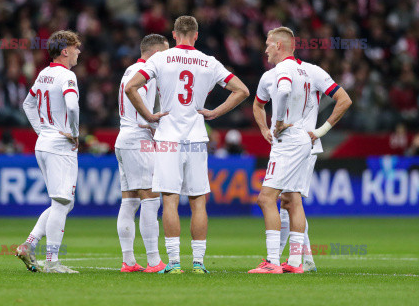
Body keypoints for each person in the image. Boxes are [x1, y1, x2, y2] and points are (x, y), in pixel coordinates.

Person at [125, 16, 250, 274]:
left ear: (173, 34)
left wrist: (149, 115)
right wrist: (216, 112)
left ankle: (173, 263)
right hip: (196, 139)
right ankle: (199, 263)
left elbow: (131, 87)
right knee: (198, 201)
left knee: (169, 200)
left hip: (168, 138)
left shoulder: (161, 58)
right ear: (196, 35)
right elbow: (242, 90)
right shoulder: (209, 62)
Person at [251, 26, 352, 274]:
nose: (265, 49)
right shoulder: (312, 71)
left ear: (279, 46)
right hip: (308, 142)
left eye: (267, 44)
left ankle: (273, 262)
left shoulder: (280, 72)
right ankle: (298, 262)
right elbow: (345, 99)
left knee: (267, 198)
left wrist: (279, 122)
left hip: (289, 140)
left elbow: (282, 91)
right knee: (292, 199)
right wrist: (320, 132)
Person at [16, 30, 81, 273]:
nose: (79, 52)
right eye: (76, 48)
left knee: (63, 203)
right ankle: (52, 261)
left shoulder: (44, 74)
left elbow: (27, 103)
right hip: (59, 146)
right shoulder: (67, 76)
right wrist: (74, 132)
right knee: (62, 201)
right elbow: (72, 106)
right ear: (65, 51)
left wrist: (42, 130)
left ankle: (29, 244)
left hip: (44, 144)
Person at [115, 34, 169, 273]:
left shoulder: (130, 70)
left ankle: (128, 261)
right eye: (166, 54)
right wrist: (152, 120)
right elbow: (138, 105)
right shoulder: (146, 73)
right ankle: (154, 260)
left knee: (130, 201)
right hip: (137, 140)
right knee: (151, 198)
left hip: (123, 138)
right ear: (156, 54)